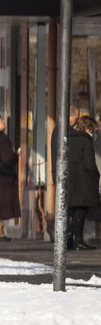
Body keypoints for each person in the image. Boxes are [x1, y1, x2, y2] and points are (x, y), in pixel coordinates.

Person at [64, 107, 99, 251]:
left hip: (70, 179)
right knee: (81, 210)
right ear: (88, 130)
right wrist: (96, 176)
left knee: (71, 209)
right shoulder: (86, 140)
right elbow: (89, 164)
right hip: (83, 180)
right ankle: (78, 239)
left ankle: (69, 239)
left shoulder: (68, 138)